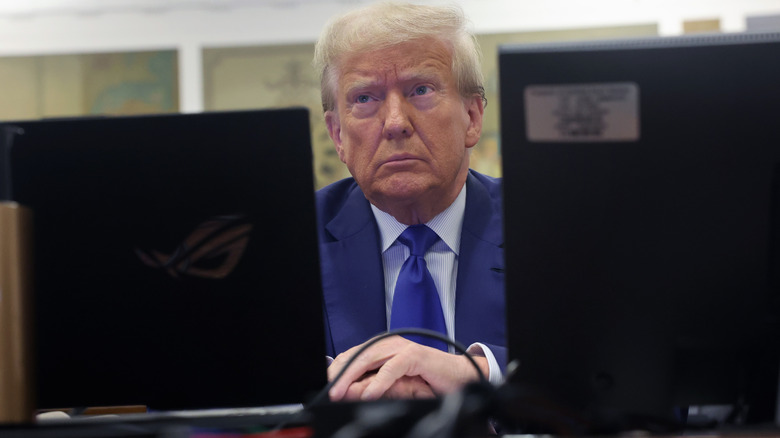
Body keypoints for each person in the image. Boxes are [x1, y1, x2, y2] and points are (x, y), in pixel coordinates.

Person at [313, 1, 505, 402]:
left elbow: (614, 366)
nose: (396, 122)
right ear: (337, 135)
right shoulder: (289, 237)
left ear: (472, 116)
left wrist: (479, 372)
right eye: (365, 98)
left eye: (421, 90)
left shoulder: (547, 225)